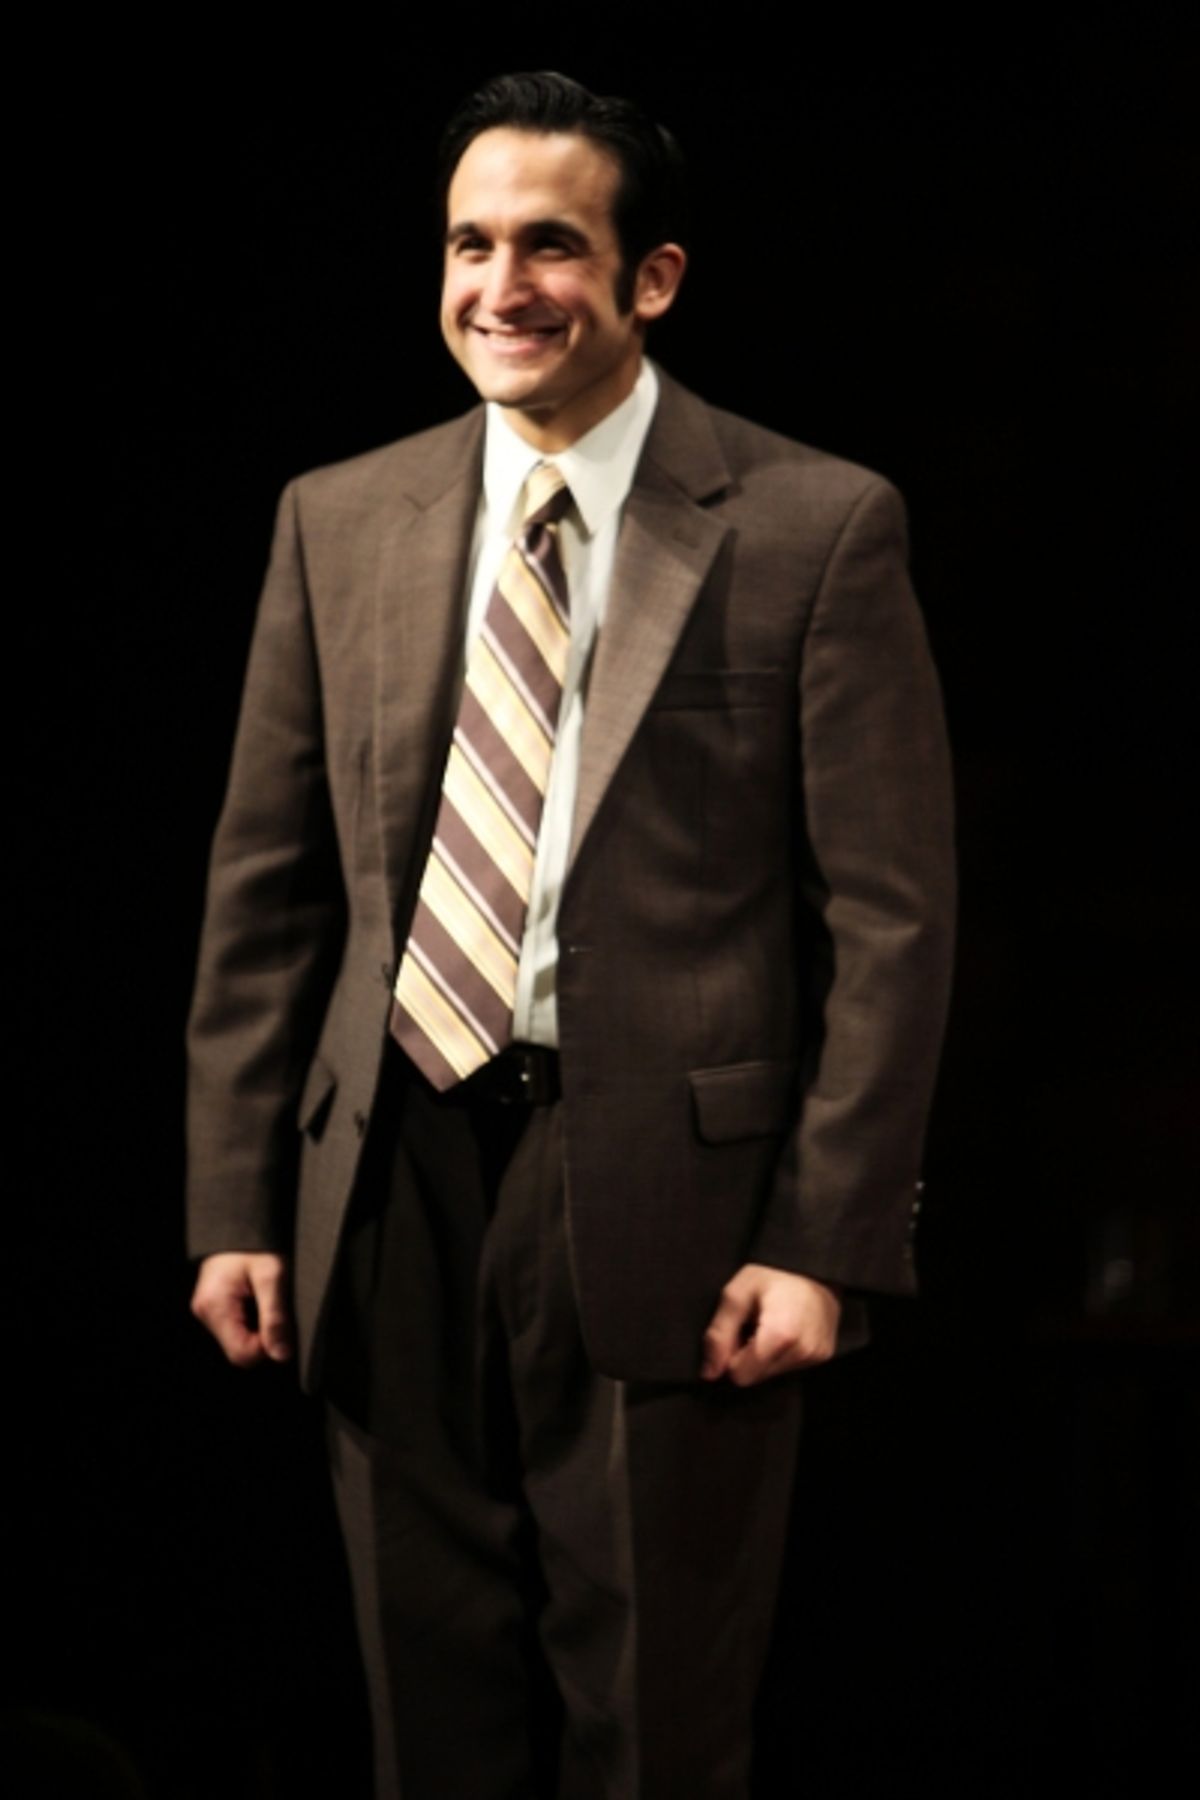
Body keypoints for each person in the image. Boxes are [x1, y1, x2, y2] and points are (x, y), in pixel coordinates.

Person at [187, 71, 955, 1799]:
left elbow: (893, 925)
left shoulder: (817, 524)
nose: (500, 286)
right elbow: (266, 896)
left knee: (654, 1735)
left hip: (670, 1208)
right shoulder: (339, 516)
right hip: (386, 1181)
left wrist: (825, 1242)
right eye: (469, 243)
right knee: (426, 1722)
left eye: (551, 245)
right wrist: (238, 1199)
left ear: (653, 280)